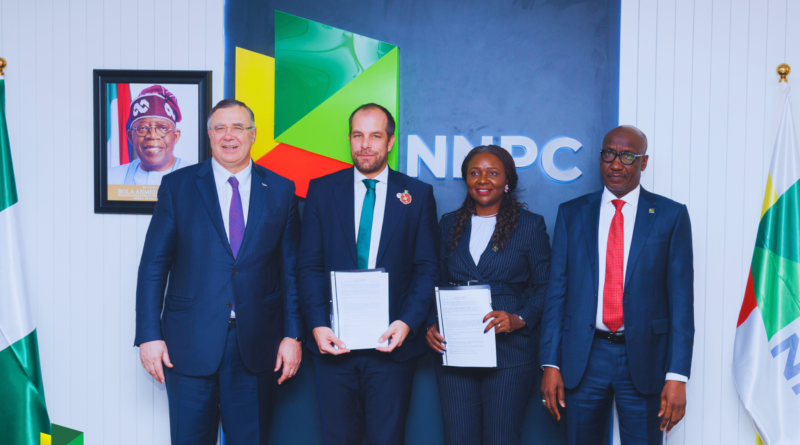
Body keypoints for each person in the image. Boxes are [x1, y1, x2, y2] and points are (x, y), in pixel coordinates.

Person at [134, 99, 304, 445]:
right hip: (188, 344)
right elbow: (153, 265)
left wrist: (293, 335)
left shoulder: (282, 191)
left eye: (238, 127)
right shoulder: (177, 187)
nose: (229, 136)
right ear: (208, 134)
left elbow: (290, 270)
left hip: (258, 346)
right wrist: (149, 335)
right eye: (220, 127)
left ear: (253, 135)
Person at [539, 126, 694, 444]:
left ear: (644, 162)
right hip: (583, 356)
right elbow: (557, 292)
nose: (616, 164)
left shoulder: (670, 216)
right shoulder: (572, 214)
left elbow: (681, 303)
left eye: (627, 156)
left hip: (645, 359)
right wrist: (551, 363)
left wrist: (677, 376)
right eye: (608, 153)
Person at [297, 103, 439, 445]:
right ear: (348, 139)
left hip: (390, 347)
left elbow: (427, 268)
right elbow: (309, 266)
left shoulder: (417, 195)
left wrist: (406, 323)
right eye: (358, 136)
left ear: (390, 142)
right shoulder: (321, 190)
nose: (365, 144)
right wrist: (317, 325)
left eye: (375, 136)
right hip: (334, 346)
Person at [425, 145, 551, 445]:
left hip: (509, 353)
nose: (483, 180)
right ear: (466, 179)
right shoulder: (448, 224)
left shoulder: (530, 226)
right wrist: (432, 323)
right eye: (475, 172)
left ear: (508, 181)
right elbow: (434, 281)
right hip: (455, 349)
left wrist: (520, 318)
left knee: (501, 439)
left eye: (493, 173)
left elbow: (549, 286)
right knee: (458, 438)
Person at [108, 85, 183, 185]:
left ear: (175, 136)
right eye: (142, 128)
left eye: (162, 128)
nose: (152, 136)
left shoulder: (195, 178)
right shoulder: (110, 178)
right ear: (131, 137)